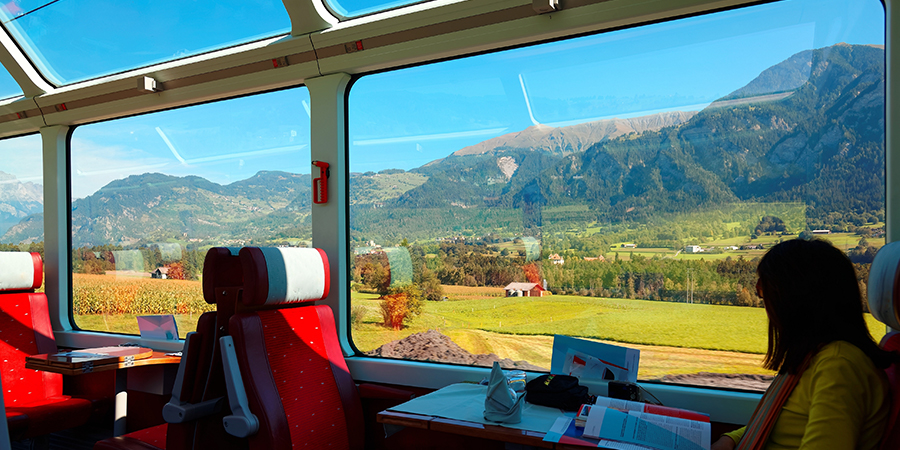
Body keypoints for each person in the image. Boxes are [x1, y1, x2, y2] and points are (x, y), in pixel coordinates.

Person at [711, 239, 896, 450]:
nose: (764, 302)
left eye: (765, 291)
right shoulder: (815, 356)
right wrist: (731, 439)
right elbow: (783, 424)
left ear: (794, 300)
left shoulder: (838, 366)